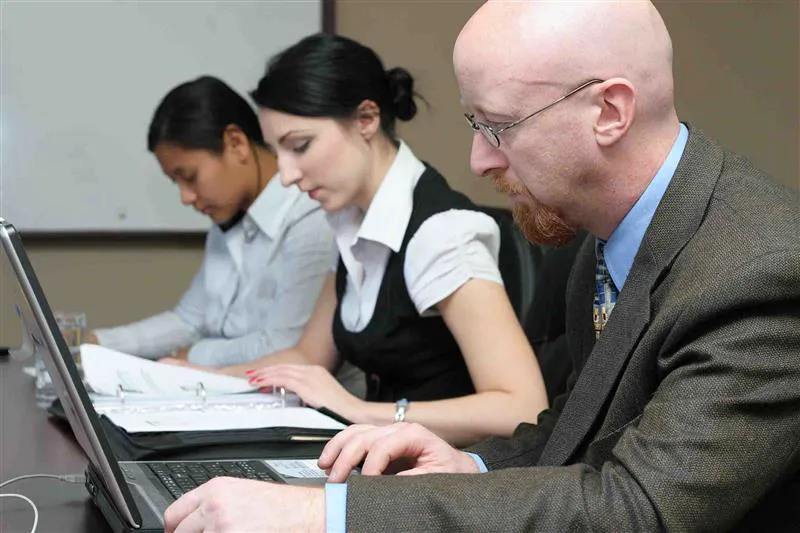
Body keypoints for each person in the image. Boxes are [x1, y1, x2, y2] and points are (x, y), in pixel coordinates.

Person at [163, 1, 800, 531]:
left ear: (609, 112)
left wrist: (326, 514)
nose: (477, 161)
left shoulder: (759, 270)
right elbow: (575, 423)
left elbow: (637, 508)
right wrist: (477, 466)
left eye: (497, 126)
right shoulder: (602, 239)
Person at [174, 33, 550, 446]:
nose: (286, 174)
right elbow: (307, 359)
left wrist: (360, 412)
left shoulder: (440, 233)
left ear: (366, 119)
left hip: (450, 480)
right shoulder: (351, 222)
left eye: (300, 146)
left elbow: (521, 408)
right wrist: (203, 379)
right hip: (384, 464)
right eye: (278, 152)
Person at [85, 76, 363, 396]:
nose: (185, 197)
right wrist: (99, 342)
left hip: (303, 406)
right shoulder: (227, 214)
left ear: (236, 143)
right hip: (235, 393)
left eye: (189, 177)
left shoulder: (311, 213)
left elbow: (283, 345)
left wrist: (194, 355)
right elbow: (190, 319)